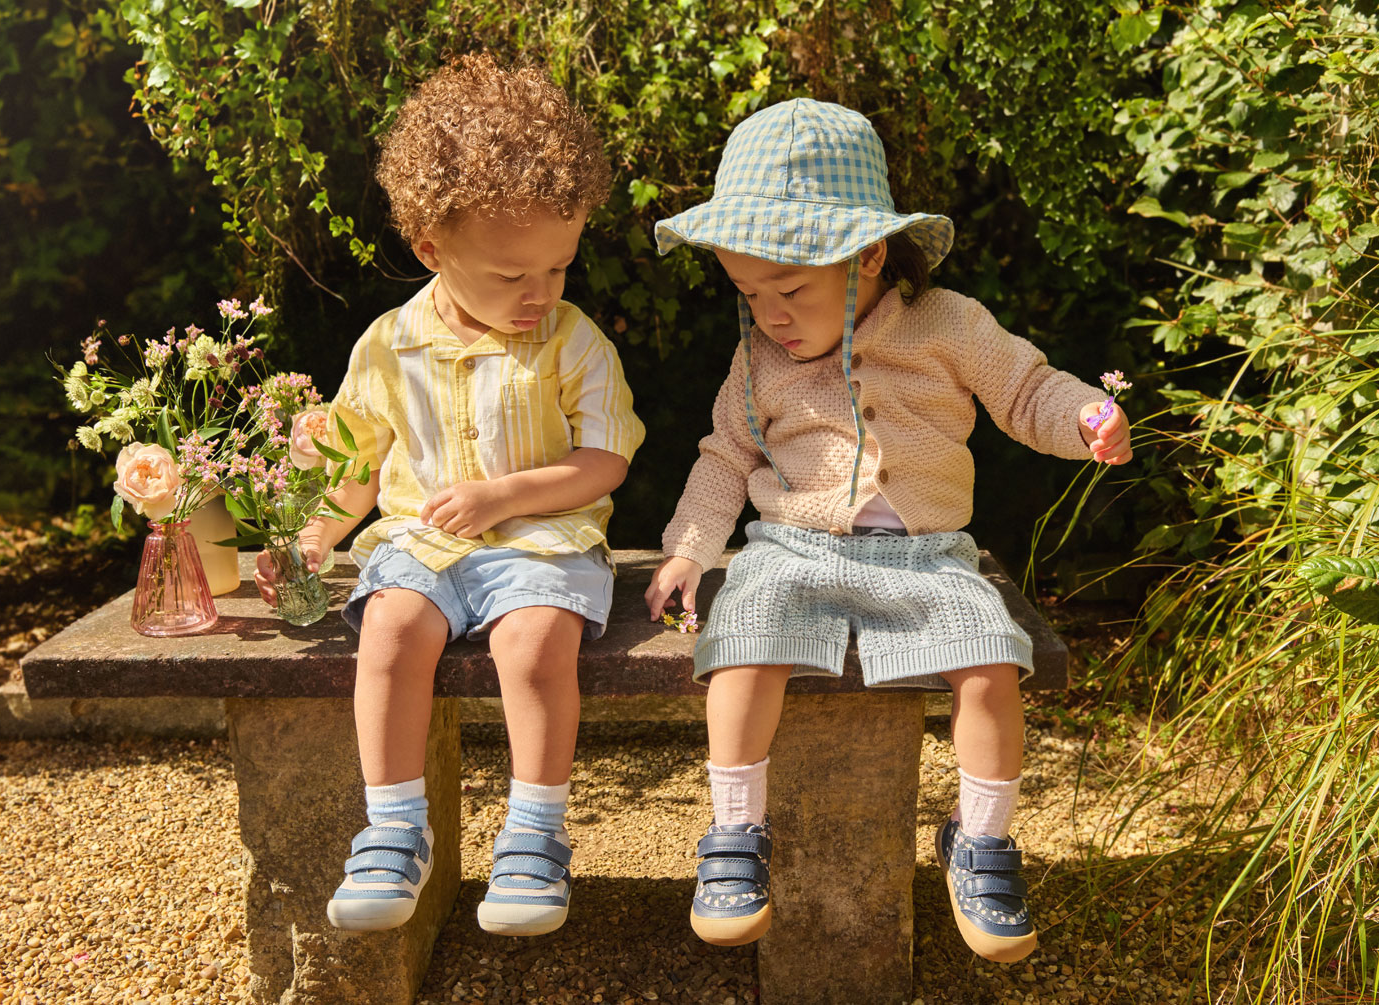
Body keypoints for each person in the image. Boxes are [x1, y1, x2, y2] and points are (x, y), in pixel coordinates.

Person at [643, 98, 1132, 961]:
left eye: (789, 289)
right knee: (741, 639)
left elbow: (1026, 389)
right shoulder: (758, 357)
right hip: (792, 548)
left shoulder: (950, 324)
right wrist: (688, 547)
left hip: (928, 554)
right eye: (749, 293)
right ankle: (735, 836)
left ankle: (977, 841)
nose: (770, 315)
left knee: (990, 658)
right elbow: (725, 455)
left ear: (868, 253)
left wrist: (1086, 416)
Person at [256, 54, 644, 938]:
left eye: (560, 267)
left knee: (537, 640)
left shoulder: (572, 341)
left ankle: (536, 836)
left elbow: (605, 461)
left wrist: (508, 494)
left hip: (543, 543)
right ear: (432, 248)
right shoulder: (391, 344)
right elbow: (357, 456)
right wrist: (317, 532)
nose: (540, 293)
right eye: (514, 276)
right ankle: (394, 832)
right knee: (389, 628)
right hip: (423, 546)